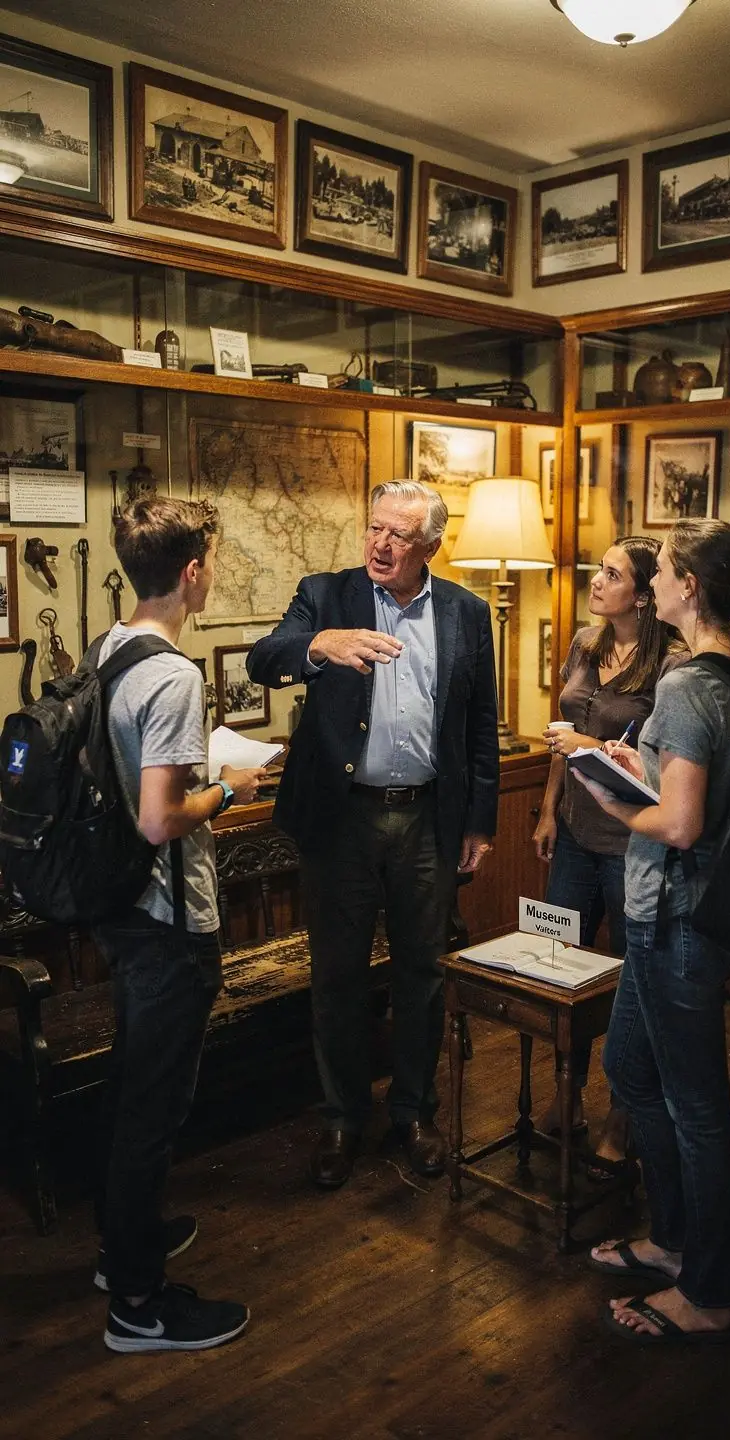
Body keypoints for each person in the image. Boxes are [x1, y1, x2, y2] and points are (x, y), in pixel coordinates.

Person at [579, 519, 730, 1344]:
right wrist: (637, 765)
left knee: (696, 1108)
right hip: (673, 918)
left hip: (677, 920)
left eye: (667, 572)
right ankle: (675, 1239)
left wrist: (610, 795)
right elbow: (697, 794)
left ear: (687, 588)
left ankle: (706, 1291)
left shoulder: (687, 684)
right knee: (629, 1069)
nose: (656, 585)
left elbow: (679, 825)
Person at [247, 480, 499, 1188]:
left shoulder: (466, 612)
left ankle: (413, 1112)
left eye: (399, 535)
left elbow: (480, 721)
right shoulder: (325, 595)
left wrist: (480, 819)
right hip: (343, 819)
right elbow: (264, 659)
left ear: (430, 547)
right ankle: (340, 1117)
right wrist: (318, 646)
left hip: (426, 818)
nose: (381, 544)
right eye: (374, 529)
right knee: (337, 975)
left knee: (423, 972)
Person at [93, 497, 268, 1354]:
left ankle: (120, 1247)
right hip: (167, 922)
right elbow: (162, 819)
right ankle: (138, 1305)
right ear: (191, 573)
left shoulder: (107, 650)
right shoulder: (172, 676)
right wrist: (229, 788)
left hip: (120, 911)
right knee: (154, 1110)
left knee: (133, 1088)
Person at [532, 537, 679, 1177]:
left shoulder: (671, 663)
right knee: (560, 968)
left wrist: (591, 740)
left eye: (612, 574)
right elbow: (561, 743)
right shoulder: (584, 645)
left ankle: (624, 1112)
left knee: (627, 981)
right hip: (574, 833)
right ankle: (568, 1094)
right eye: (600, 569)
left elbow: (664, 762)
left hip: (630, 844)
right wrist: (545, 810)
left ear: (643, 596)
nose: (596, 581)